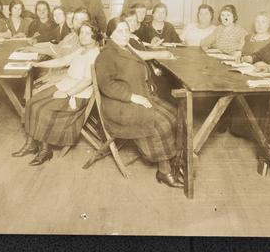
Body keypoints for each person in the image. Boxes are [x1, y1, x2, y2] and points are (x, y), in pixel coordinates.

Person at [94, 18, 183, 188]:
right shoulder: (106, 55)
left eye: (126, 30)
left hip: (140, 95)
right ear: (110, 35)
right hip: (120, 104)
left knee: (174, 114)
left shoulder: (127, 48)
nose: (124, 34)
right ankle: (164, 170)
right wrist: (132, 97)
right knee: (160, 123)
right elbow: (107, 85)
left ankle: (174, 161)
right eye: (119, 31)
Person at [12, 21, 103, 165]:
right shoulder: (82, 49)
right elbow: (63, 60)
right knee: (31, 102)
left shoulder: (95, 54)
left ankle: (45, 150)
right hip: (65, 84)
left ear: (95, 35)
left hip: (77, 94)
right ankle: (31, 144)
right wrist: (38, 64)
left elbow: (87, 81)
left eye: (88, 33)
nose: (83, 36)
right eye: (81, 32)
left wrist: (67, 93)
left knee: (43, 109)